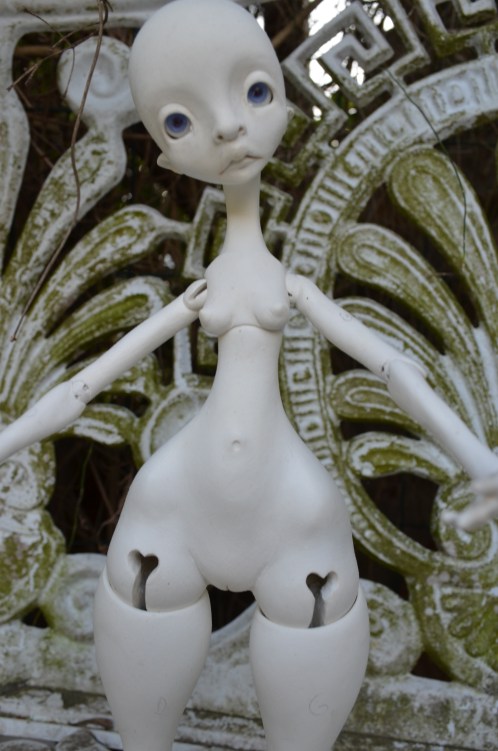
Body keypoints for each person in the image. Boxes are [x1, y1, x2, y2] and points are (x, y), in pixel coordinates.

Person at [0, 1, 497, 749]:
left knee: (307, 703)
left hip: (292, 513)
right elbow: (84, 385)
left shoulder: (287, 287)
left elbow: (390, 366)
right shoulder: (203, 294)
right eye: (180, 121)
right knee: (143, 720)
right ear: (167, 160)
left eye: (254, 92)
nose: (229, 128)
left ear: (284, 100)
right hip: (174, 508)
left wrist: (478, 459)